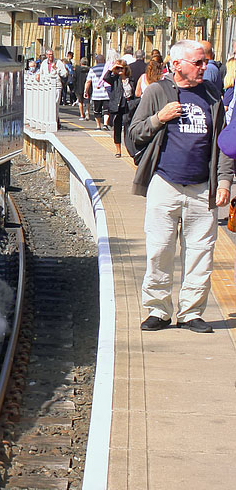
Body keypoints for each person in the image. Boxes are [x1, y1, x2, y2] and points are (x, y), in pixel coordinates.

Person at [128, 40, 234, 333]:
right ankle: (158, 309)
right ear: (176, 65)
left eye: (205, 62)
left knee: (201, 251)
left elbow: (224, 143)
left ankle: (190, 312)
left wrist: (224, 180)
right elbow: (134, 134)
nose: (205, 67)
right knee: (159, 249)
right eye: (198, 63)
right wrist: (158, 118)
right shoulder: (157, 92)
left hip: (203, 187)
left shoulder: (212, 95)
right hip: (166, 182)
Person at [104, 60, 135, 156]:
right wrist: (112, 69)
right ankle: (118, 150)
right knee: (117, 128)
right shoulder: (114, 79)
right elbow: (106, 78)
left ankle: (130, 148)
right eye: (118, 68)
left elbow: (132, 92)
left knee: (128, 127)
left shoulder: (131, 79)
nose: (120, 70)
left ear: (126, 68)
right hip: (117, 106)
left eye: (121, 68)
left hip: (128, 105)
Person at [86, 49, 116, 129]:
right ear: (104, 60)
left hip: (96, 94)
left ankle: (98, 125)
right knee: (106, 110)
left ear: (96, 61)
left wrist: (86, 91)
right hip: (106, 93)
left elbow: (88, 81)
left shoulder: (92, 69)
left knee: (97, 111)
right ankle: (105, 124)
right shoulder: (108, 68)